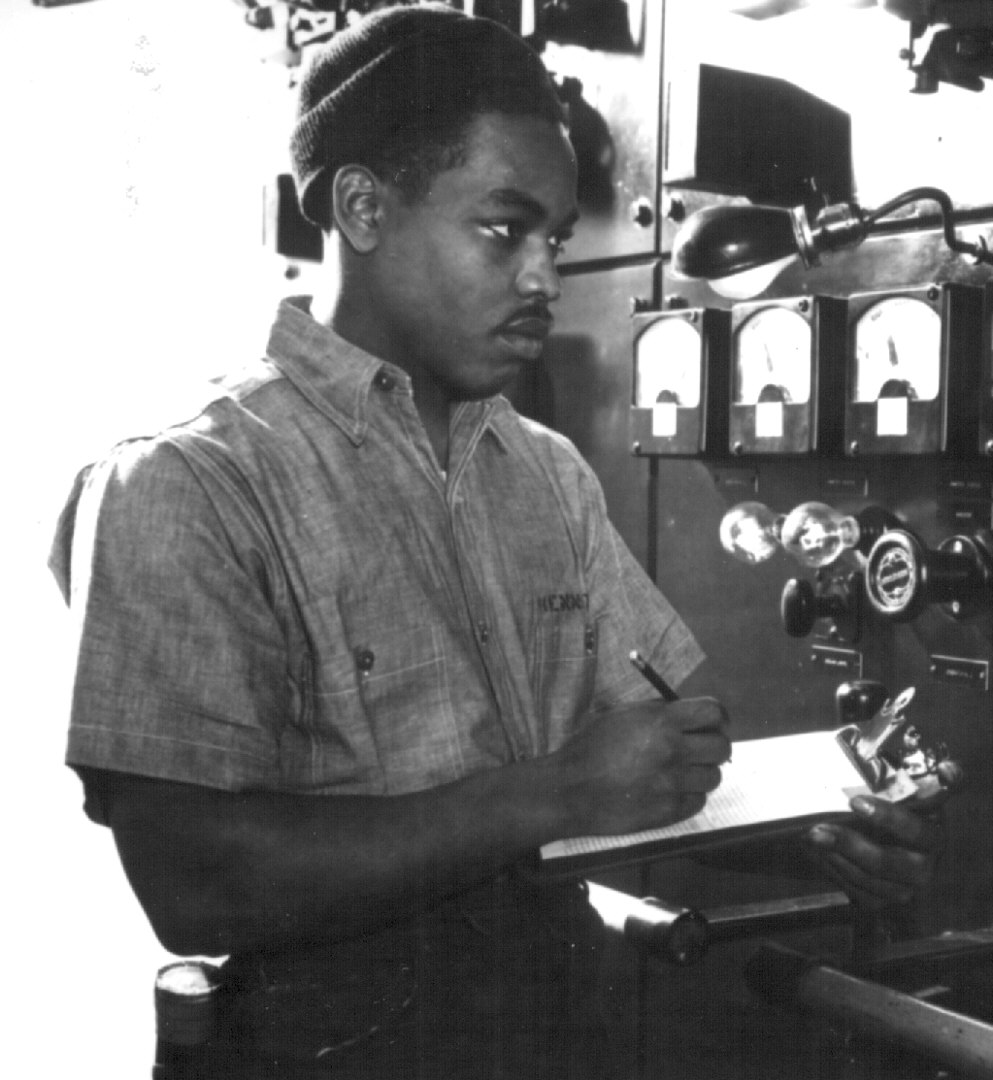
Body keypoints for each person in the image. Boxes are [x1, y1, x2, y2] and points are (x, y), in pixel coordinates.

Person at [49, 6, 943, 1077]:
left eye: (557, 239)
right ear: (364, 207)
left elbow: (655, 757)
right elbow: (195, 883)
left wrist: (812, 833)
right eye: (503, 229)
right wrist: (553, 793)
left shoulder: (548, 474)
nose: (543, 278)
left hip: (557, 1031)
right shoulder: (188, 485)